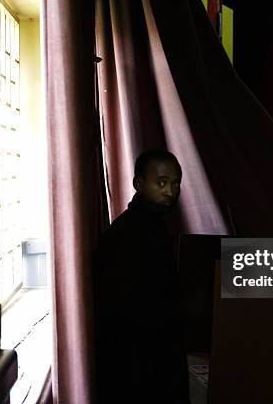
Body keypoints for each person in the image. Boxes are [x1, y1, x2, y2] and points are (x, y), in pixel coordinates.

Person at [93, 149, 189, 404]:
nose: (170, 191)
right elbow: (124, 311)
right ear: (138, 184)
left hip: (153, 359)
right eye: (161, 183)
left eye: (175, 184)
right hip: (138, 367)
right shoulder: (126, 235)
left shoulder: (154, 227)